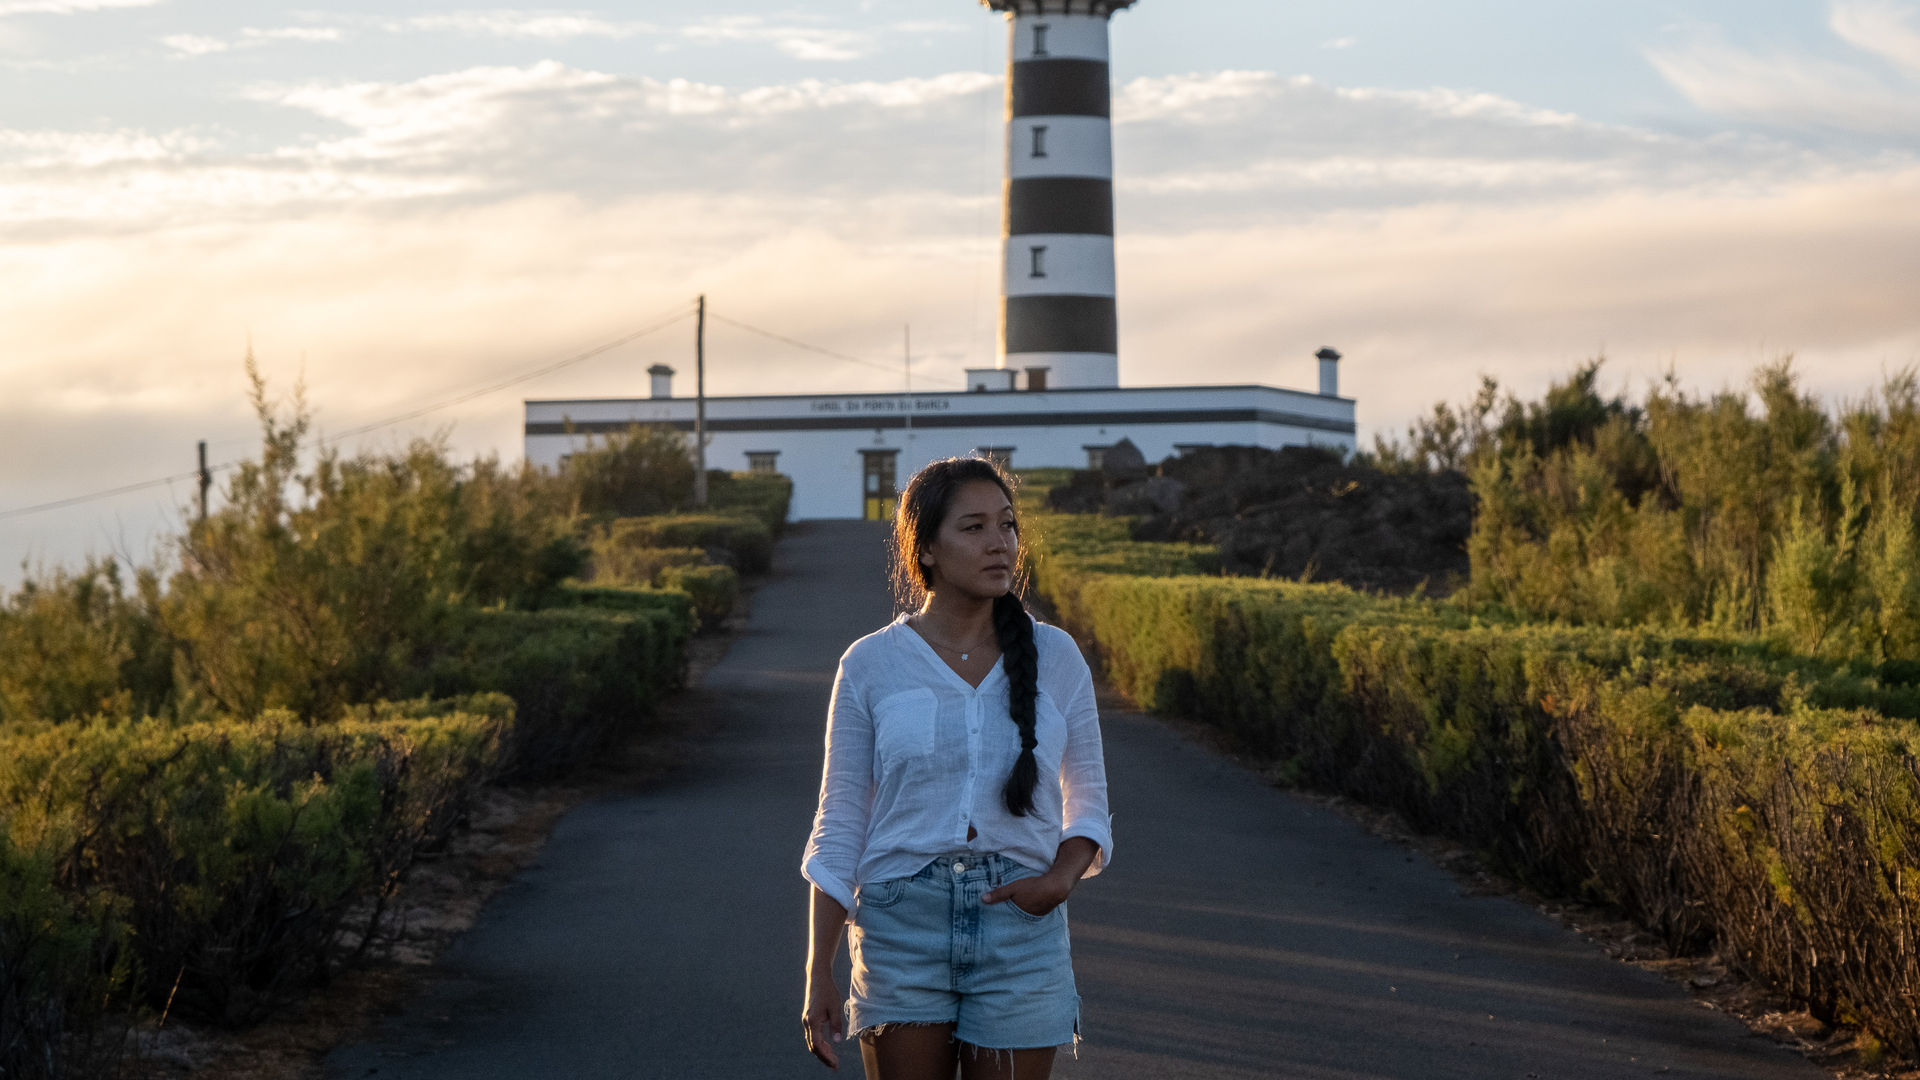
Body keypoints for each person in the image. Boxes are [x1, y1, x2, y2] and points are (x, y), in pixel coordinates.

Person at [801, 455, 1115, 1079]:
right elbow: (839, 824)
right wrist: (818, 974)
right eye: (973, 528)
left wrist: (1060, 879)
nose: (1000, 543)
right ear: (928, 550)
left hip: (1019, 929)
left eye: (1007, 525)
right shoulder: (869, 665)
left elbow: (1089, 802)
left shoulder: (1055, 655)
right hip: (900, 930)